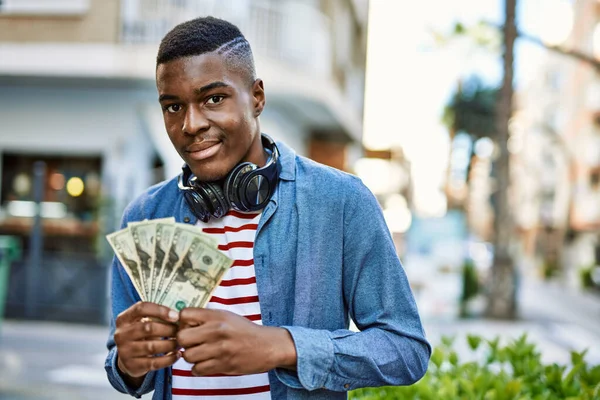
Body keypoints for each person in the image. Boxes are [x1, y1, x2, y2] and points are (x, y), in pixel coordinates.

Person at [105, 16, 431, 400]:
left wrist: (280, 346)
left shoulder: (341, 202)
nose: (190, 124)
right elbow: (123, 371)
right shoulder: (145, 215)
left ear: (257, 97)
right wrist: (128, 363)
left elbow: (405, 349)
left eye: (213, 99)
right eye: (173, 107)